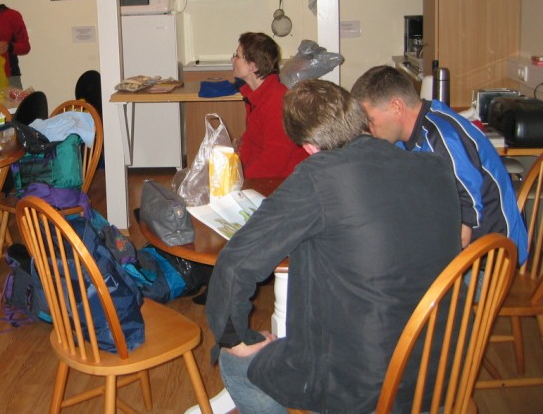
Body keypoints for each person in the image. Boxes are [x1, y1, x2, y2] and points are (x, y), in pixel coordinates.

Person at [206, 79, 462, 414]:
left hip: (361, 390)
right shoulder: (435, 167)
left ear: (310, 147)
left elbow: (237, 264)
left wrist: (236, 340)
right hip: (441, 373)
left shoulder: (320, 176)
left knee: (234, 359)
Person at [351, 65, 528, 263]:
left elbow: (461, 234)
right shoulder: (407, 133)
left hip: (489, 263)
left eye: (370, 120)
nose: (369, 129)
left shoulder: (444, 140)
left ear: (396, 107)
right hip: (461, 251)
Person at [233, 32, 307, 178]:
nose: (233, 59)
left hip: (287, 179)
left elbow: (273, 161)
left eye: (237, 56)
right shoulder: (255, 96)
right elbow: (250, 142)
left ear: (252, 66)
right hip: (270, 176)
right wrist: (236, 171)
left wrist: (242, 180)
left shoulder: (277, 101)